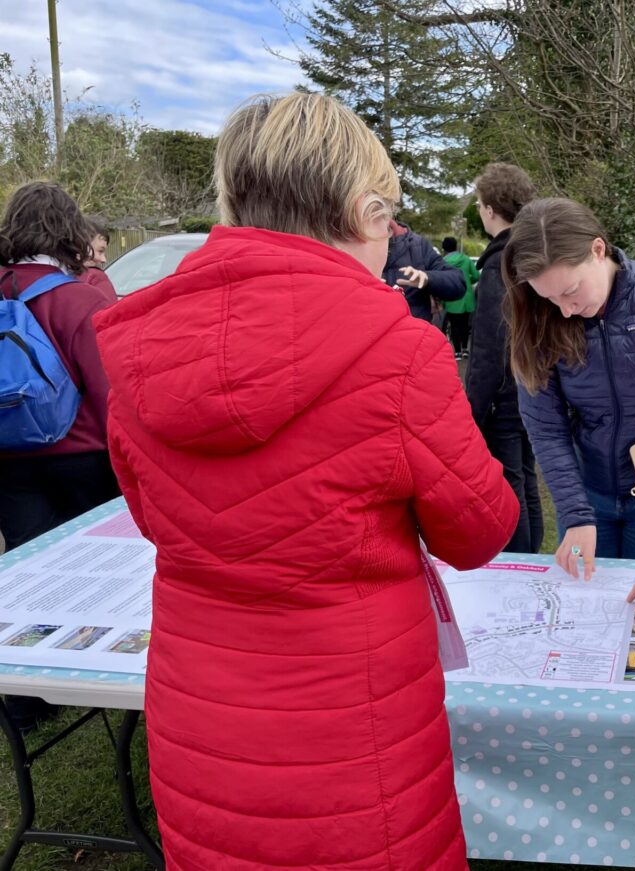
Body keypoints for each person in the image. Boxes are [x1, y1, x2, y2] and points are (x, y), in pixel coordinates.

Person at [93, 93, 520, 871]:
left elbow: (156, 516)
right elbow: (481, 527)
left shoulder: (141, 346)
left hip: (201, 715)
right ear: (363, 213)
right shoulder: (398, 349)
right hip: (354, 732)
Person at [0, 182, 120, 733]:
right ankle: (94, 672)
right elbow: (110, 392)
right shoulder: (78, 297)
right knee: (94, 572)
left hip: (7, 458)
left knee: (24, 571)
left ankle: (23, 701)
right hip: (82, 454)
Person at [504, 197, 635, 575]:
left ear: (597, 250)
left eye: (570, 291)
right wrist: (575, 513)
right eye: (548, 298)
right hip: (587, 495)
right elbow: (546, 429)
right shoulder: (540, 321)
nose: (564, 310)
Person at [466, 162, 544, 553]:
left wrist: (473, 411)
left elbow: (487, 348)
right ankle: (530, 557)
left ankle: (520, 564)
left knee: (510, 480)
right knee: (525, 476)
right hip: (535, 386)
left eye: (480, 203)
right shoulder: (532, 253)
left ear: (491, 209)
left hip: (506, 394)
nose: (479, 210)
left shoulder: (501, 263)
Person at [383, 220, 466, 321]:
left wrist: (427, 279)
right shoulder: (359, 244)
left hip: (415, 331)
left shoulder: (418, 245)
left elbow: (458, 282)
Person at [440, 235, 478, 358]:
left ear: (444, 248)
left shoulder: (442, 263)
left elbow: (441, 281)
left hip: (451, 297)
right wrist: (467, 282)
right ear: (456, 246)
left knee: (454, 324)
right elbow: (477, 276)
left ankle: (457, 352)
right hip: (466, 297)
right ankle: (465, 349)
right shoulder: (466, 260)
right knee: (465, 324)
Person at [79, 220, 117, 302]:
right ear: (79, 245)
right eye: (100, 251)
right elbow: (110, 312)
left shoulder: (51, 278)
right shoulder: (95, 277)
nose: (104, 259)